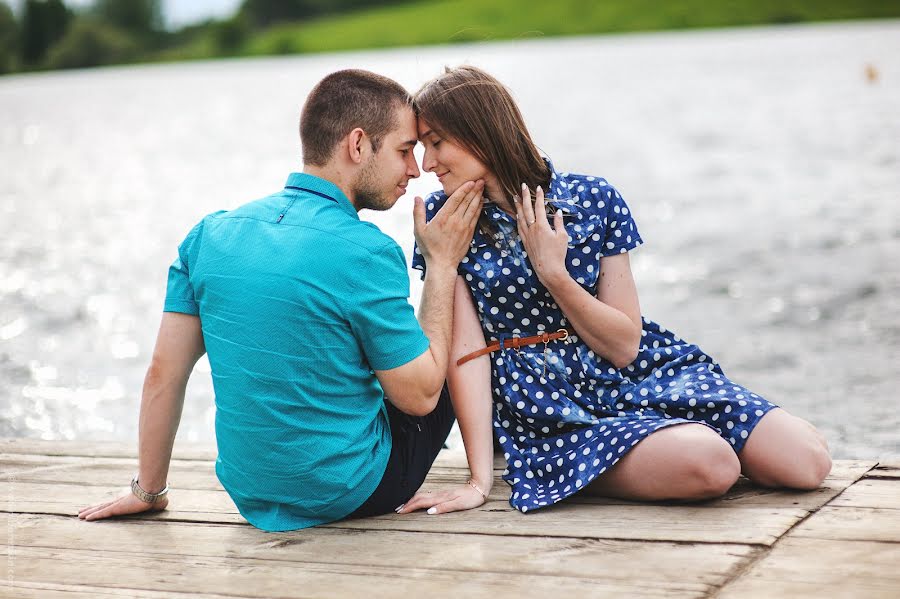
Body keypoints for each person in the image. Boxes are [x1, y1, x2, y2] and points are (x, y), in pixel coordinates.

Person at [397, 66, 832, 516]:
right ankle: (596, 461)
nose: (427, 163)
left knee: (806, 463)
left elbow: (625, 346)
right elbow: (468, 353)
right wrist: (478, 480)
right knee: (713, 464)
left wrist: (556, 277)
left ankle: (667, 439)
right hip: (548, 405)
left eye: (436, 142)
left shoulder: (594, 199)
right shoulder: (442, 220)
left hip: (638, 373)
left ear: (480, 132)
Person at [78, 69, 486, 531]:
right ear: (357, 145)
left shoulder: (208, 235)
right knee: (453, 330)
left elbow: (162, 375)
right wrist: (443, 264)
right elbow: (421, 397)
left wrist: (148, 491)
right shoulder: (366, 250)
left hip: (249, 491)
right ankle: (490, 474)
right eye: (403, 150)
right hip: (349, 491)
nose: (415, 170)